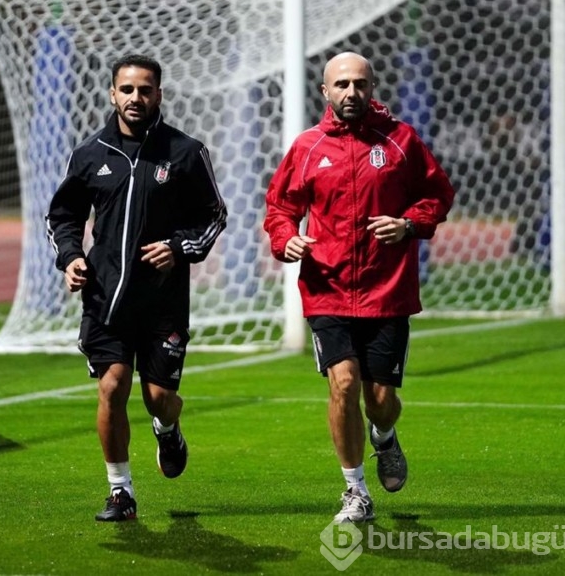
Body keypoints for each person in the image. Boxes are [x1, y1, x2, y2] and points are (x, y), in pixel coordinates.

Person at [263, 51, 455, 523]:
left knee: (381, 401)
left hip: (387, 291)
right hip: (327, 288)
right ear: (325, 92)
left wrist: (409, 224)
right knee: (343, 383)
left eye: (360, 84)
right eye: (342, 85)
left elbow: (438, 194)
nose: (352, 92)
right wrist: (286, 240)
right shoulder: (307, 147)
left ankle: (385, 438)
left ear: (372, 89)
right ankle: (354, 491)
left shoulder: (401, 141)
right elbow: (279, 209)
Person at [46, 54, 227, 522]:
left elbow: (214, 216)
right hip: (105, 299)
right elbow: (62, 216)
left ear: (159, 95)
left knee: (157, 397)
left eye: (145, 90)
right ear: (112, 94)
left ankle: (168, 428)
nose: (135, 98)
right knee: (112, 385)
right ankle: (120, 491)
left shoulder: (185, 152)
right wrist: (71, 258)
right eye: (126, 90)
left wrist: (180, 246)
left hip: (163, 303)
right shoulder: (90, 154)